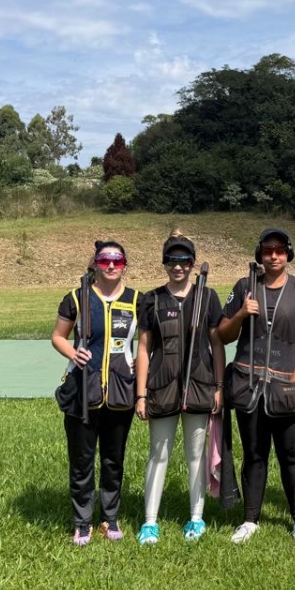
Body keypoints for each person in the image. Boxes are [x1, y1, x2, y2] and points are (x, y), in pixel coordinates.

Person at [217, 228, 295, 544]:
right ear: (260, 254)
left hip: (288, 390)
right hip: (248, 387)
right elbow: (223, 334)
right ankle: (250, 520)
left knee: (292, 456)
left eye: (279, 250)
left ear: (288, 253)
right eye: (267, 250)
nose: (274, 255)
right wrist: (241, 313)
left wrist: (294, 380)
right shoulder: (244, 287)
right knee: (254, 455)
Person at [134, 230, 226, 545]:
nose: (177, 266)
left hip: (199, 385)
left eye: (184, 260)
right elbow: (143, 348)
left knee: (196, 455)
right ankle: (150, 523)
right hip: (161, 387)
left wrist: (219, 386)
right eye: (171, 260)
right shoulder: (152, 299)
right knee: (158, 454)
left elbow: (216, 343)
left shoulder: (208, 297)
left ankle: (196, 519)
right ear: (164, 262)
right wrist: (141, 394)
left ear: (192, 263)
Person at [50, 240, 139, 545]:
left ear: (124, 264)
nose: (111, 265)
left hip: (120, 392)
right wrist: (72, 353)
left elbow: (148, 342)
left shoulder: (136, 300)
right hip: (82, 391)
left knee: (114, 459)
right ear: (96, 264)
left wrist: (141, 364)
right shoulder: (76, 298)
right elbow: (58, 336)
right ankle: (82, 522)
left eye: (117, 260)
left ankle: (110, 517)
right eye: (104, 260)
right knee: (82, 460)